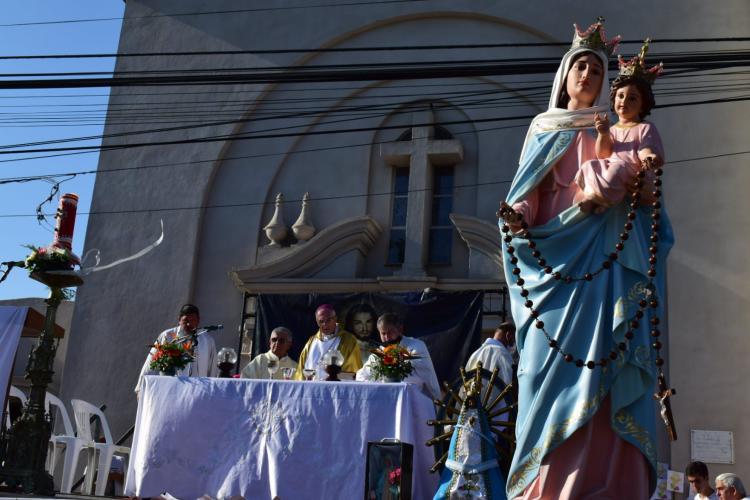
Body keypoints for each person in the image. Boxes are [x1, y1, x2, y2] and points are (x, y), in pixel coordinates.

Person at [499, 18, 674, 498]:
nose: (587, 76)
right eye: (579, 67)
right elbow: (527, 191)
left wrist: (632, 183)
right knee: (540, 368)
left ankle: (611, 482)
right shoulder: (544, 127)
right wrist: (516, 215)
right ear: (564, 75)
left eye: (596, 71)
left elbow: (646, 195)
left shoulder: (618, 133)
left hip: (605, 260)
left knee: (607, 360)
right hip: (554, 263)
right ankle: (546, 484)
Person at [576, 39, 665, 215]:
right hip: (612, 165)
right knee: (589, 166)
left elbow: (646, 148)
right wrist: (603, 133)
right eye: (620, 96)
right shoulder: (614, 128)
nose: (624, 101)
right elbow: (603, 154)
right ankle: (598, 199)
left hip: (630, 169)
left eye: (632, 98)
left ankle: (599, 200)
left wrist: (649, 158)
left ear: (643, 105)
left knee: (616, 170)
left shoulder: (644, 127)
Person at [135, 304, 217, 395]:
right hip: (171, 391)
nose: (189, 324)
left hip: (198, 392)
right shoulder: (167, 336)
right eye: (185, 321)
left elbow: (213, 369)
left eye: (193, 320)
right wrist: (141, 387)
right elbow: (151, 362)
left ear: (198, 321)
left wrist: (213, 391)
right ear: (179, 320)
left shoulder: (208, 341)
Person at [356, 313, 441, 400]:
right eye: (383, 333)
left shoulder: (416, 346)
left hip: (411, 401)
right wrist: (377, 387)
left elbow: (427, 376)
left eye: (390, 332)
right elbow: (361, 375)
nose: (387, 337)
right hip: (383, 400)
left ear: (400, 329)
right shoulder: (379, 352)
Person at [295, 304, 362, 380]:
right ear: (317, 322)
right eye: (321, 321)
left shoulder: (349, 340)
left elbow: (353, 372)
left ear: (335, 319)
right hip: (311, 389)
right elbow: (300, 371)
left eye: (328, 320)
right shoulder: (311, 342)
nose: (325, 324)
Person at [465, 321, 516, 386]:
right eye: (513, 340)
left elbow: (465, 383)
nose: (513, 345)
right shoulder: (503, 354)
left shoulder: (475, 353)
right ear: (508, 335)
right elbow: (510, 384)